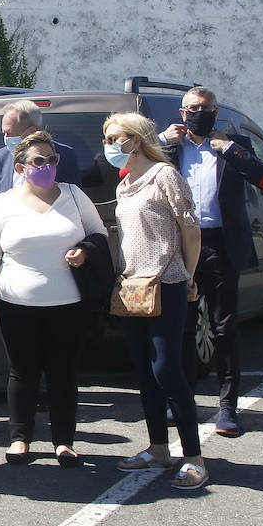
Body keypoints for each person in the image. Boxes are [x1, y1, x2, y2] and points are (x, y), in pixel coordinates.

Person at [0, 131, 105, 467]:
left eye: (52, 160)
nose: (47, 166)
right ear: (21, 167)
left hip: (69, 303)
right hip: (15, 303)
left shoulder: (75, 196)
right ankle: (20, 438)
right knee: (22, 372)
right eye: (38, 161)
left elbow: (100, 235)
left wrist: (84, 251)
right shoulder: (4, 203)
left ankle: (64, 441)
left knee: (63, 373)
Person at [158, 86, 263, 438]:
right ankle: (181, 401)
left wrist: (231, 150)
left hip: (221, 243)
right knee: (182, 326)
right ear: (182, 113)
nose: (200, 113)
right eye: (193, 108)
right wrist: (163, 140)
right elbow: (124, 170)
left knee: (224, 327)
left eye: (206, 108)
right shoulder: (171, 149)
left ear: (216, 110)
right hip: (181, 244)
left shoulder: (233, 144)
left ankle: (228, 407)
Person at [104, 113, 209, 490]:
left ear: (136, 139)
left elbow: (190, 231)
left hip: (167, 281)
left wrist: (188, 274)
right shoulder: (125, 184)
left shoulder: (165, 176)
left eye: (115, 138)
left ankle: (194, 456)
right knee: (144, 372)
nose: (110, 145)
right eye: (108, 138)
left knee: (167, 369)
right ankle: (158, 448)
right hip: (133, 286)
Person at [0, 100, 81, 405]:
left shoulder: (63, 157)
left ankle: (41, 387)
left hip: (48, 253)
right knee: (2, 319)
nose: (5, 138)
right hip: (8, 250)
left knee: (42, 325)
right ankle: (2, 383)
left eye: (9, 132)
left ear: (30, 130)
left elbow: (75, 200)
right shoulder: (0, 157)